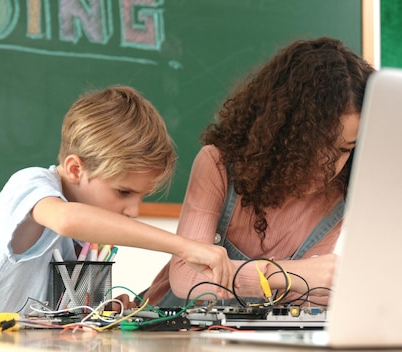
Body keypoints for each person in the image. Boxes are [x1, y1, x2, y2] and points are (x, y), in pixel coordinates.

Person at [142, 37, 375, 307]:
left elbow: (302, 298)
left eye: (345, 150)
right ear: (283, 130)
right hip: (177, 332)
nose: (328, 166)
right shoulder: (217, 165)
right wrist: (291, 274)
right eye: (317, 145)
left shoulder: (340, 195)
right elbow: (186, 278)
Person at [0, 86, 235, 314]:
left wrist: (104, 311)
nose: (134, 210)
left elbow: (68, 319)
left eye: (141, 196)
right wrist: (183, 247)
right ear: (75, 169)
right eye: (123, 192)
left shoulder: (91, 240)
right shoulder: (31, 184)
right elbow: (68, 220)